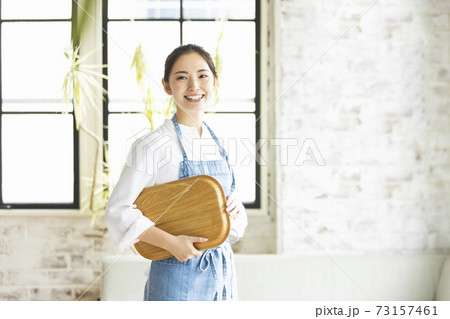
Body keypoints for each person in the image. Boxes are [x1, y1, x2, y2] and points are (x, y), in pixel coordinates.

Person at [105, 44, 248, 301]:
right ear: (167, 85)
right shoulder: (153, 144)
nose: (194, 86)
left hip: (222, 276)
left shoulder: (221, 141)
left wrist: (236, 208)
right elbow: (118, 210)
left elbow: (227, 208)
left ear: (215, 81)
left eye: (203, 75)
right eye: (182, 77)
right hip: (174, 275)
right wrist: (172, 244)